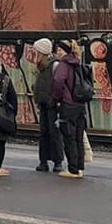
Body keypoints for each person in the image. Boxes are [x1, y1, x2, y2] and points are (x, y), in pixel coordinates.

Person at [50, 40, 90, 180]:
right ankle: (79, 168)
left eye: (60, 50)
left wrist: (56, 98)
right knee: (78, 137)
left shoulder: (64, 64)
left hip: (68, 104)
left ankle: (72, 169)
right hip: (80, 104)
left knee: (69, 137)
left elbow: (58, 81)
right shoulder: (77, 62)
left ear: (65, 51)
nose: (58, 52)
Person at [30, 38, 62, 173]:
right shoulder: (42, 65)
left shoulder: (54, 65)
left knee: (54, 132)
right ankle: (43, 161)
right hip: (43, 102)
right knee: (43, 132)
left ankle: (57, 161)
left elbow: (58, 84)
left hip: (52, 103)